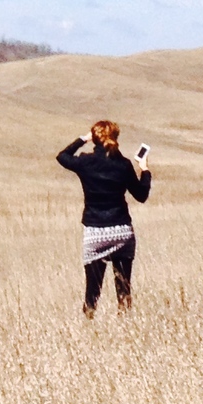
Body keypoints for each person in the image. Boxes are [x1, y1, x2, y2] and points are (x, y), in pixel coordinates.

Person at [56, 119, 152, 314]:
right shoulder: (124, 164)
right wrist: (144, 169)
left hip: (95, 232)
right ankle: (127, 331)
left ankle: (89, 328)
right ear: (116, 137)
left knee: (92, 292)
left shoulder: (85, 162)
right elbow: (141, 195)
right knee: (124, 290)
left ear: (95, 139)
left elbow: (62, 156)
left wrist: (83, 139)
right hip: (122, 231)